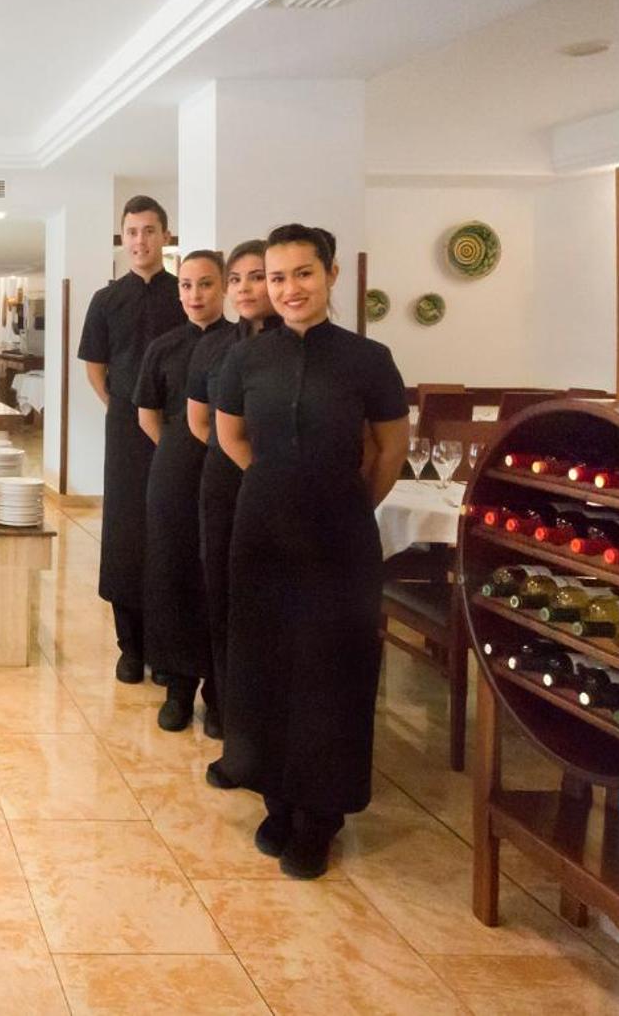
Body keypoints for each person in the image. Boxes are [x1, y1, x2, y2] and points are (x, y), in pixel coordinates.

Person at [213, 224, 409, 879]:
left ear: (330, 275)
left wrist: (348, 504)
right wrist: (276, 487)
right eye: (277, 277)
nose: (289, 288)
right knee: (263, 663)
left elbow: (390, 449)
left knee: (332, 670)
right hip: (262, 530)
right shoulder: (246, 359)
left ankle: (321, 816)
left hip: (340, 534)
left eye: (303, 273)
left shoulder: (368, 359)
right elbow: (232, 436)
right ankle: (276, 798)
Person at [77, 195, 185, 683]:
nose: (141, 240)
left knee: (170, 529)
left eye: (150, 230)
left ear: (166, 236)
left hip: (178, 427)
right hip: (124, 428)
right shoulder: (106, 300)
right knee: (125, 530)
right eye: (132, 232)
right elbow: (95, 367)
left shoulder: (183, 294)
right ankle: (130, 646)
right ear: (123, 238)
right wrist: (123, 408)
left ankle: (166, 647)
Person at [133, 250, 235, 732]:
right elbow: (147, 415)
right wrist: (178, 451)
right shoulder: (163, 347)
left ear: (224, 287)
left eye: (206, 284)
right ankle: (177, 688)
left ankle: (218, 694)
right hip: (174, 470)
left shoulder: (241, 343)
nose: (195, 295)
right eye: (187, 285)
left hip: (228, 467)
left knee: (216, 576)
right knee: (171, 572)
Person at [187, 239, 274, 771]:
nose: (245, 288)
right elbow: (200, 423)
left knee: (271, 605)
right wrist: (245, 463)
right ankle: (224, 707)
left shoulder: (296, 345)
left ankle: (268, 724)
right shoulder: (218, 347)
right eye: (236, 279)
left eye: (257, 276)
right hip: (225, 483)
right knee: (221, 596)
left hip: (284, 490)